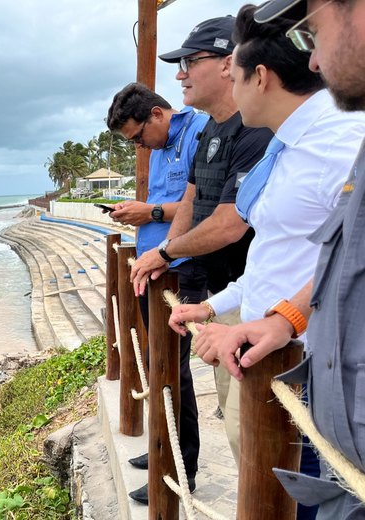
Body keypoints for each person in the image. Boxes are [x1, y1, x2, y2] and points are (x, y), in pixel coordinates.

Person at [168, 5, 365, 518]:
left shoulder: (340, 141)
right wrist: (215, 308)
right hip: (275, 354)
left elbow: (347, 264)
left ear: (260, 77)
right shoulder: (289, 145)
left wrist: (284, 321)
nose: (318, 61)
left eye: (233, 76)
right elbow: (275, 258)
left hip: (314, 370)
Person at [129, 14, 274, 467]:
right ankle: (173, 462)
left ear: (232, 64)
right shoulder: (211, 128)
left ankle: (181, 468)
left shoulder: (259, 131)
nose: (179, 74)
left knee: (254, 428)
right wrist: (163, 255)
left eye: (191, 61)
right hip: (225, 291)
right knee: (237, 419)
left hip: (259, 296)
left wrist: (166, 250)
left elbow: (232, 222)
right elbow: (193, 199)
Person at [105, 82, 210, 505]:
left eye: (137, 137)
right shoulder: (164, 144)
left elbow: (201, 205)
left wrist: (146, 211)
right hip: (156, 270)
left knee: (174, 373)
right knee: (157, 364)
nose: (140, 147)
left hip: (181, 269)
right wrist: (143, 215)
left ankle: (182, 468)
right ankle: (162, 448)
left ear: (156, 114)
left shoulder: (199, 131)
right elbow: (169, 206)